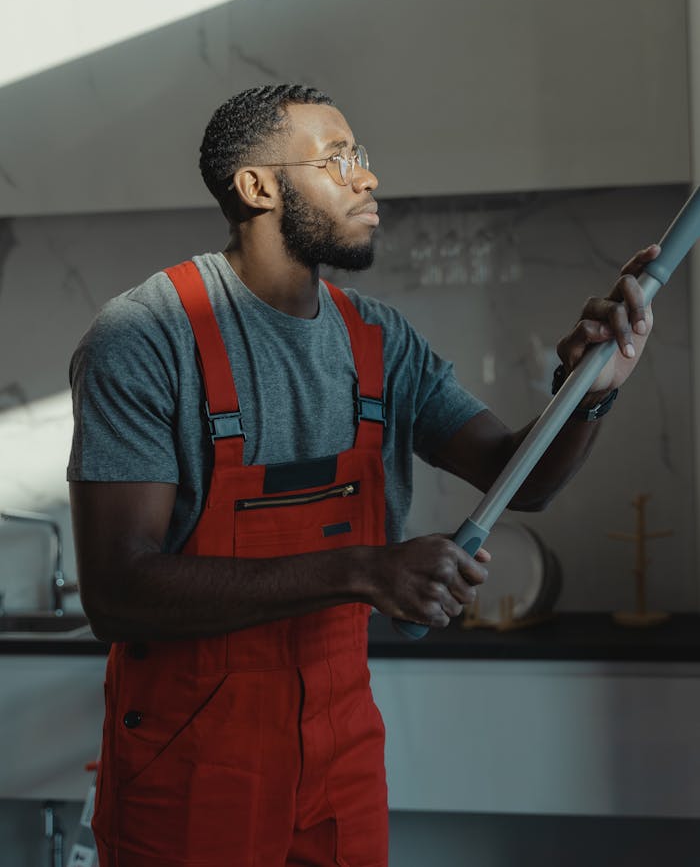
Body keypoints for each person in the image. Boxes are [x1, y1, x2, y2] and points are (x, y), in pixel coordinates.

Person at [68, 83, 657, 867]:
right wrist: (365, 569)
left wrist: (590, 393)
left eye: (364, 158)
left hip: (339, 751)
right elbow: (117, 593)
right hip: (192, 766)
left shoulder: (378, 340)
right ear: (257, 187)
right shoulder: (146, 338)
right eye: (337, 159)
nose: (367, 178)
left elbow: (525, 478)